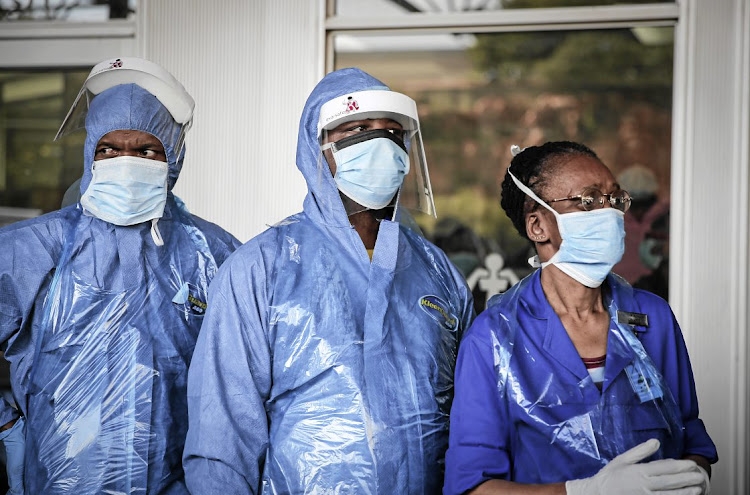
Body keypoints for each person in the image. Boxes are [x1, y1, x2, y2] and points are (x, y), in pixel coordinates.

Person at [183, 67, 475, 494]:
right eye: (358, 129)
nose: (380, 144)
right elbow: (223, 436)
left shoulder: (437, 272)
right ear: (316, 148)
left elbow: (469, 422)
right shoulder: (262, 267)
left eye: (393, 133)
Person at [0, 57, 240, 494]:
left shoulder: (214, 252)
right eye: (108, 149)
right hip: (63, 480)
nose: (125, 162)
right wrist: (8, 425)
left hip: (177, 481)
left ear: (174, 158)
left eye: (147, 150)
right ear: (88, 154)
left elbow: (246, 373)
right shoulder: (31, 249)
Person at [444, 142, 717, 495]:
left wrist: (695, 476)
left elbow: (689, 436)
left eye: (615, 199)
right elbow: (473, 486)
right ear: (538, 226)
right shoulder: (494, 336)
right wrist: (583, 491)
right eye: (588, 201)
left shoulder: (652, 318)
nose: (610, 212)